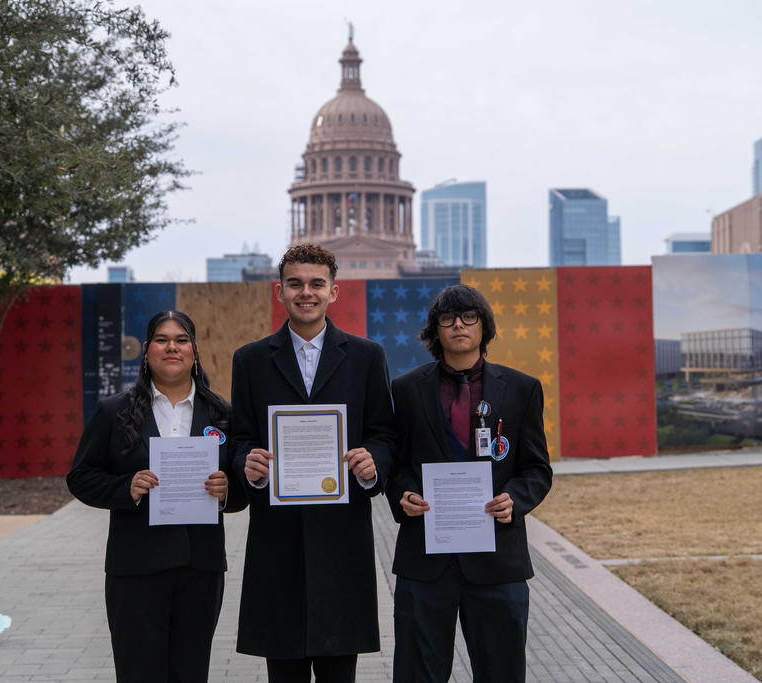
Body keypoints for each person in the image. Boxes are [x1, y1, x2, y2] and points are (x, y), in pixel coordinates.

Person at [230, 244, 395, 683]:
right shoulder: (250, 360)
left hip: (342, 535)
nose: (307, 292)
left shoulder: (366, 357)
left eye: (316, 284)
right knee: (282, 667)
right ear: (278, 291)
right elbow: (240, 436)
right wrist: (247, 464)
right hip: (276, 537)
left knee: (340, 668)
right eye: (296, 284)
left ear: (333, 292)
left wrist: (372, 461)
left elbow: (383, 432)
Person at [67, 310, 248, 683]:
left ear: (194, 351)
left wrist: (228, 490)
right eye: (162, 340)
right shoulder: (114, 412)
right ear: (147, 350)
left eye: (181, 340)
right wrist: (125, 488)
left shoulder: (224, 414)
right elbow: (81, 477)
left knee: (191, 672)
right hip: (135, 566)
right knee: (139, 673)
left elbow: (244, 489)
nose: (172, 347)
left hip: (201, 566)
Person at [386, 284, 553, 683]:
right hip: (426, 562)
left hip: (498, 561)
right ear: (435, 330)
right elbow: (394, 463)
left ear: (484, 326)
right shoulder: (406, 389)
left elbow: (537, 469)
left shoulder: (522, 389)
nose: (458, 325)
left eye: (468, 317)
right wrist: (403, 494)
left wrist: (514, 499)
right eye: (447, 318)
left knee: (501, 674)